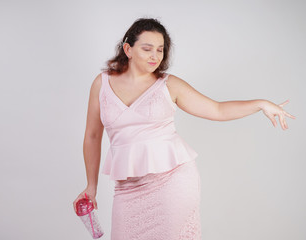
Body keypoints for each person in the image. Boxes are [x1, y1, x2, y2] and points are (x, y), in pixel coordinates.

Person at [73, 18, 295, 240]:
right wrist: (91, 186)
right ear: (128, 49)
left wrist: (260, 104)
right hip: (127, 189)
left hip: (172, 183)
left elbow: (217, 110)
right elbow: (92, 136)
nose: (155, 56)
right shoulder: (101, 84)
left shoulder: (169, 85)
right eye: (147, 48)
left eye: (160, 50)